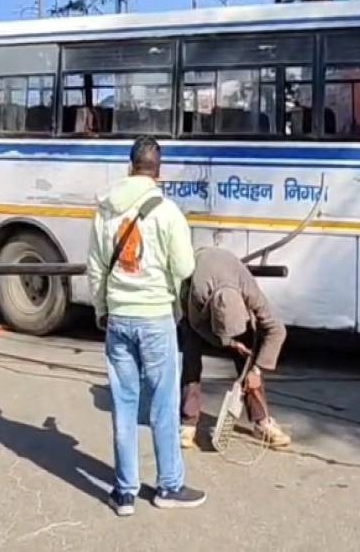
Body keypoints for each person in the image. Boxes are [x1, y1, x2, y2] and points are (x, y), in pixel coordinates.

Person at [87, 135, 205, 517]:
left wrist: (102, 309)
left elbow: (95, 267)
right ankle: (168, 486)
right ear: (158, 170)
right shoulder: (168, 212)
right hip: (155, 318)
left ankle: (124, 493)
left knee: (124, 404)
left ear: (130, 166)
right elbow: (184, 267)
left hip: (118, 318)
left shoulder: (105, 210)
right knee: (163, 405)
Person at [179, 246, 291, 449]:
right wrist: (228, 343)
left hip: (227, 275)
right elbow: (197, 325)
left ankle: (262, 422)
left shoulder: (250, 291)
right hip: (197, 303)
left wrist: (257, 370)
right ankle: (188, 422)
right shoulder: (199, 292)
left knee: (247, 358)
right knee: (191, 358)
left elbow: (277, 330)